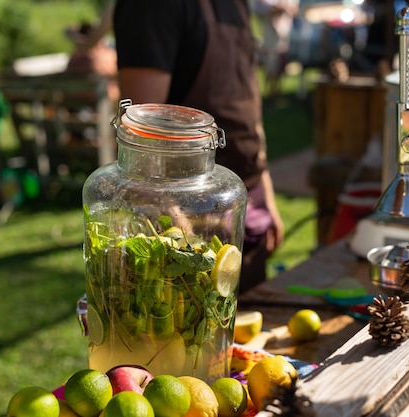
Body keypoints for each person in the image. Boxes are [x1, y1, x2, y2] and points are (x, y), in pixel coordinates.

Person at [113, 0, 285, 293]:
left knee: (245, 329)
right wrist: (184, 236)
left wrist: (265, 195)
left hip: (246, 205)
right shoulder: (151, 7)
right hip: (185, 221)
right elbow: (141, 140)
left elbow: (247, 104)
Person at [253, 0, 299, 97]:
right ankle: (271, 92)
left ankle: (277, 91)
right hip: (269, 32)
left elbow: (294, 9)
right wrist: (273, 9)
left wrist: (285, 9)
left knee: (281, 63)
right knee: (271, 63)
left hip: (285, 32)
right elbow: (258, 8)